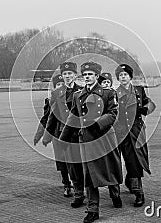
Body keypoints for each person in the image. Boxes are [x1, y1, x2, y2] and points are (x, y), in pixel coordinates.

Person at [60, 62, 122, 223]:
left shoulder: (108, 93)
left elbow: (113, 113)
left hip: (105, 138)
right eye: (85, 75)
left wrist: (97, 122)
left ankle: (115, 193)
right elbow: (72, 117)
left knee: (110, 169)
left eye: (90, 74)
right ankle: (93, 209)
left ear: (96, 76)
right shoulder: (77, 95)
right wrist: (63, 139)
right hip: (87, 140)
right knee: (90, 174)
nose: (87, 77)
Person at [114, 64, 156, 207]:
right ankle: (133, 187)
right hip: (122, 132)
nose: (123, 77)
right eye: (120, 75)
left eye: (125, 75)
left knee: (137, 160)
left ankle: (136, 187)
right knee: (125, 159)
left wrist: (145, 109)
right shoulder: (115, 93)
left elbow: (150, 103)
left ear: (130, 77)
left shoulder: (139, 90)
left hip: (137, 131)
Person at [45, 62, 85, 207]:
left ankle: (88, 189)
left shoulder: (82, 90)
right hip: (65, 134)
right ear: (62, 76)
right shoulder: (56, 93)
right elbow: (52, 115)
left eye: (70, 73)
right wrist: (48, 134)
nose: (67, 76)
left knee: (84, 163)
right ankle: (78, 193)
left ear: (75, 75)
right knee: (72, 165)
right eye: (65, 74)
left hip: (81, 133)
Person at [33, 74, 72, 197]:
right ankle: (66, 183)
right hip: (57, 134)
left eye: (62, 85)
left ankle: (77, 184)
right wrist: (39, 135)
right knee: (61, 160)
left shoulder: (74, 97)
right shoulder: (50, 100)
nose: (60, 87)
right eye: (58, 85)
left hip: (71, 134)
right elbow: (46, 119)